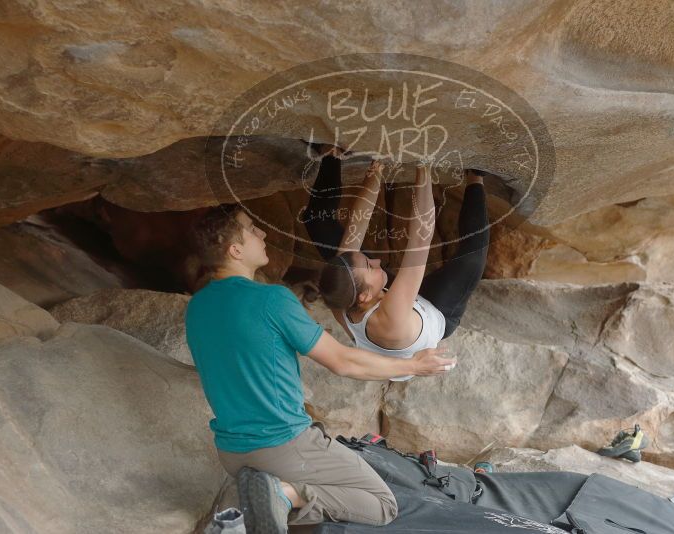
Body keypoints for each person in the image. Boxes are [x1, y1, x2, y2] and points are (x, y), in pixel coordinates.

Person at [184, 204, 456, 533]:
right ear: (235, 250)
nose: (264, 234)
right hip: (283, 444)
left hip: (232, 452)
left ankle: (256, 505)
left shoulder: (197, 307)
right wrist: (411, 364)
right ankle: (279, 497)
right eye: (253, 229)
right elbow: (342, 361)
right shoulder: (272, 300)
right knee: (382, 503)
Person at [302, 144, 489, 380]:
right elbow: (421, 234)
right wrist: (422, 163)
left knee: (320, 227)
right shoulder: (391, 318)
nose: (377, 260)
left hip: (390, 300)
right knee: (472, 259)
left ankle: (333, 154)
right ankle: (476, 178)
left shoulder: (342, 294)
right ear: (364, 296)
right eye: (371, 266)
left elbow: (356, 226)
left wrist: (377, 167)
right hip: (436, 312)